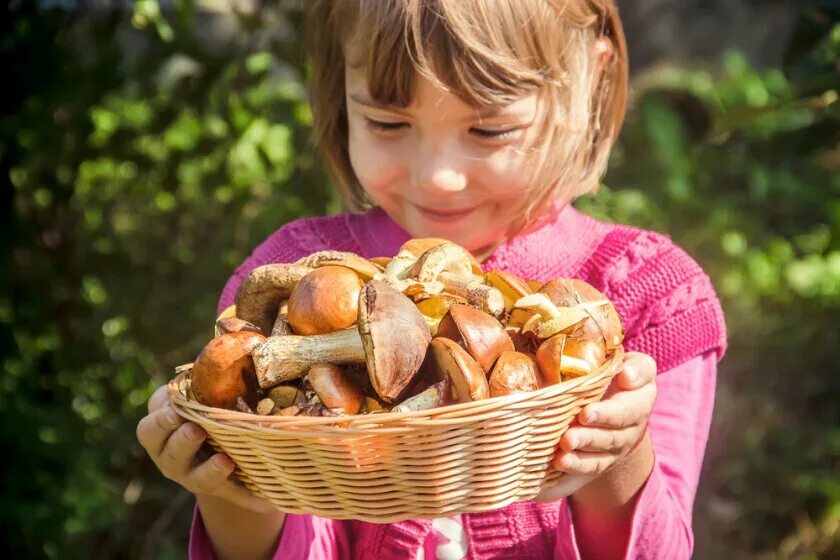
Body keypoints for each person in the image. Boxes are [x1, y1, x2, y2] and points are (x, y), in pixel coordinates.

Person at [136, 1, 727, 558]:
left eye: (490, 131)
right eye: (389, 123)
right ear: (339, 86)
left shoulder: (650, 295)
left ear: (589, 86)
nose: (438, 176)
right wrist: (226, 488)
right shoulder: (290, 286)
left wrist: (618, 454)